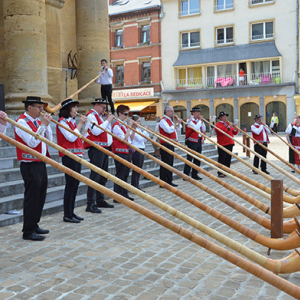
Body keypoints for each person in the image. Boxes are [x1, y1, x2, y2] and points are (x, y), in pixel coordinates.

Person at [15, 96, 53, 241]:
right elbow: (32, 142)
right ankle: (28, 230)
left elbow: (49, 140)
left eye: (42, 107)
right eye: (38, 107)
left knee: (40, 195)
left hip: (40, 162)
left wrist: (47, 125)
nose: (41, 110)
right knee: (32, 197)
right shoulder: (21, 122)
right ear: (29, 108)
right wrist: (42, 125)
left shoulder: (37, 122)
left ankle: (34, 223)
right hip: (29, 164)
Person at [56, 99, 87, 223]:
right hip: (69, 156)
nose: (76, 110)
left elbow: (78, 137)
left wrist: (85, 127)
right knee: (70, 185)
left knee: (75, 184)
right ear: (67, 109)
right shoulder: (62, 122)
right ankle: (67, 214)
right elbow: (70, 137)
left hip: (77, 155)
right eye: (74, 107)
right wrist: (79, 125)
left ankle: (71, 212)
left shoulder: (72, 123)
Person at [84, 98, 114, 213]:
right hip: (95, 148)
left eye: (105, 108)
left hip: (103, 147)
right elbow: (96, 131)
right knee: (95, 175)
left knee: (103, 175)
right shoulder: (91, 116)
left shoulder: (100, 117)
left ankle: (100, 199)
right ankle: (90, 203)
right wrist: (107, 121)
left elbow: (107, 132)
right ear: (96, 105)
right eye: (103, 107)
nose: (104, 110)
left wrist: (107, 121)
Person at [111, 105, 135, 202]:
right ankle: (117, 196)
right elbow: (124, 139)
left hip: (127, 151)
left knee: (125, 174)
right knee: (120, 174)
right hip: (120, 152)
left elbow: (130, 139)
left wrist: (134, 128)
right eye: (125, 114)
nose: (127, 116)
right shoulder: (116, 125)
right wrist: (129, 126)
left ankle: (124, 193)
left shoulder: (124, 125)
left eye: (128, 114)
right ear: (119, 113)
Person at [159, 106, 182, 186]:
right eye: (172, 111)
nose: (173, 113)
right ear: (167, 112)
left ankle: (169, 180)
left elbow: (178, 130)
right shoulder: (163, 121)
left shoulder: (170, 121)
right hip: (165, 144)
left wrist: (178, 122)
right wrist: (175, 125)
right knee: (166, 163)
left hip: (171, 144)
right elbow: (169, 130)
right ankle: (163, 181)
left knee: (170, 163)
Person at [183, 107, 206, 180]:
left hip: (199, 140)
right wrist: (200, 121)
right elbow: (195, 128)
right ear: (193, 113)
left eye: (199, 112)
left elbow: (204, 129)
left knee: (198, 158)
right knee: (190, 158)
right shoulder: (189, 120)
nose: (198, 113)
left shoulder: (198, 121)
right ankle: (185, 175)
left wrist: (202, 122)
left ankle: (194, 174)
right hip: (192, 141)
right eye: (196, 112)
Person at [215, 111, 238, 178]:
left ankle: (227, 170)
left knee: (228, 158)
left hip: (230, 143)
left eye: (226, 116)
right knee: (222, 158)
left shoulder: (227, 124)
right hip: (222, 143)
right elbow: (221, 132)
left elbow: (234, 132)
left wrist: (235, 128)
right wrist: (228, 126)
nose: (225, 118)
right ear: (220, 118)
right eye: (224, 116)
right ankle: (220, 172)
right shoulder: (218, 124)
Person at [130, 115, 150, 191]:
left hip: (141, 148)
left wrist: (146, 131)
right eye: (138, 121)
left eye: (140, 121)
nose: (139, 123)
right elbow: (140, 139)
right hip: (136, 149)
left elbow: (144, 140)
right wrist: (145, 131)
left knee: (139, 168)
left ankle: (136, 184)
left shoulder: (138, 129)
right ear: (134, 122)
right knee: (136, 168)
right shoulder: (132, 130)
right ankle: (135, 185)